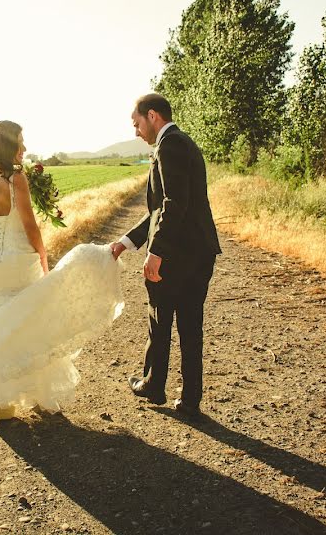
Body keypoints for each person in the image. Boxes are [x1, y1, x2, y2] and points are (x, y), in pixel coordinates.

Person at [0, 120, 124, 424]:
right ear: (9, 146)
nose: (25, 148)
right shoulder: (17, 180)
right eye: (20, 142)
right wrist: (43, 259)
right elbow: (30, 227)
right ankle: (40, 398)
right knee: (31, 324)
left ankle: (1, 405)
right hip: (20, 262)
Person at [110, 93, 221, 420]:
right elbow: (160, 209)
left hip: (178, 254)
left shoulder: (169, 145)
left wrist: (156, 252)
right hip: (199, 252)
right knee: (190, 325)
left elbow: (172, 205)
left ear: (153, 116)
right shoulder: (184, 142)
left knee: (159, 318)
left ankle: (153, 384)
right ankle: (189, 399)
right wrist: (127, 242)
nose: (136, 132)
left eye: (137, 123)